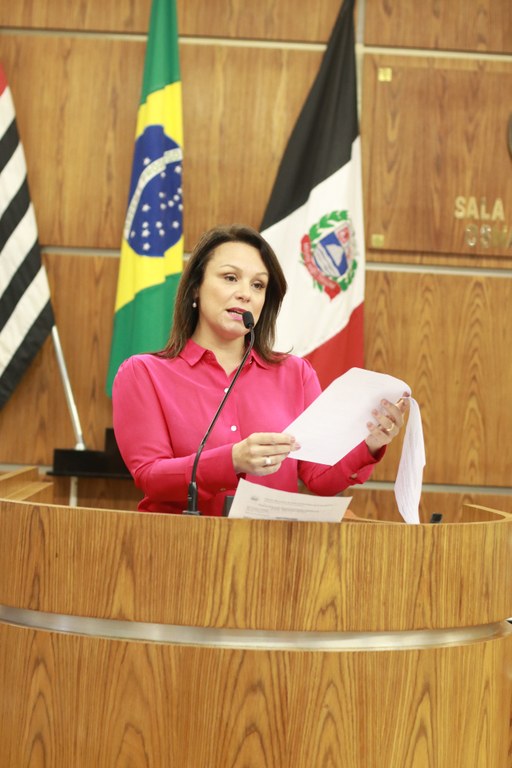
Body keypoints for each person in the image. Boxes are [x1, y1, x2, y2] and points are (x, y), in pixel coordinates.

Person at [113, 224, 409, 516]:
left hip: (271, 543)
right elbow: (150, 476)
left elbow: (320, 478)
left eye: (258, 285)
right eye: (230, 278)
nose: (245, 294)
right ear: (195, 289)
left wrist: (370, 443)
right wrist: (231, 460)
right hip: (181, 541)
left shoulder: (296, 374)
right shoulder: (144, 374)